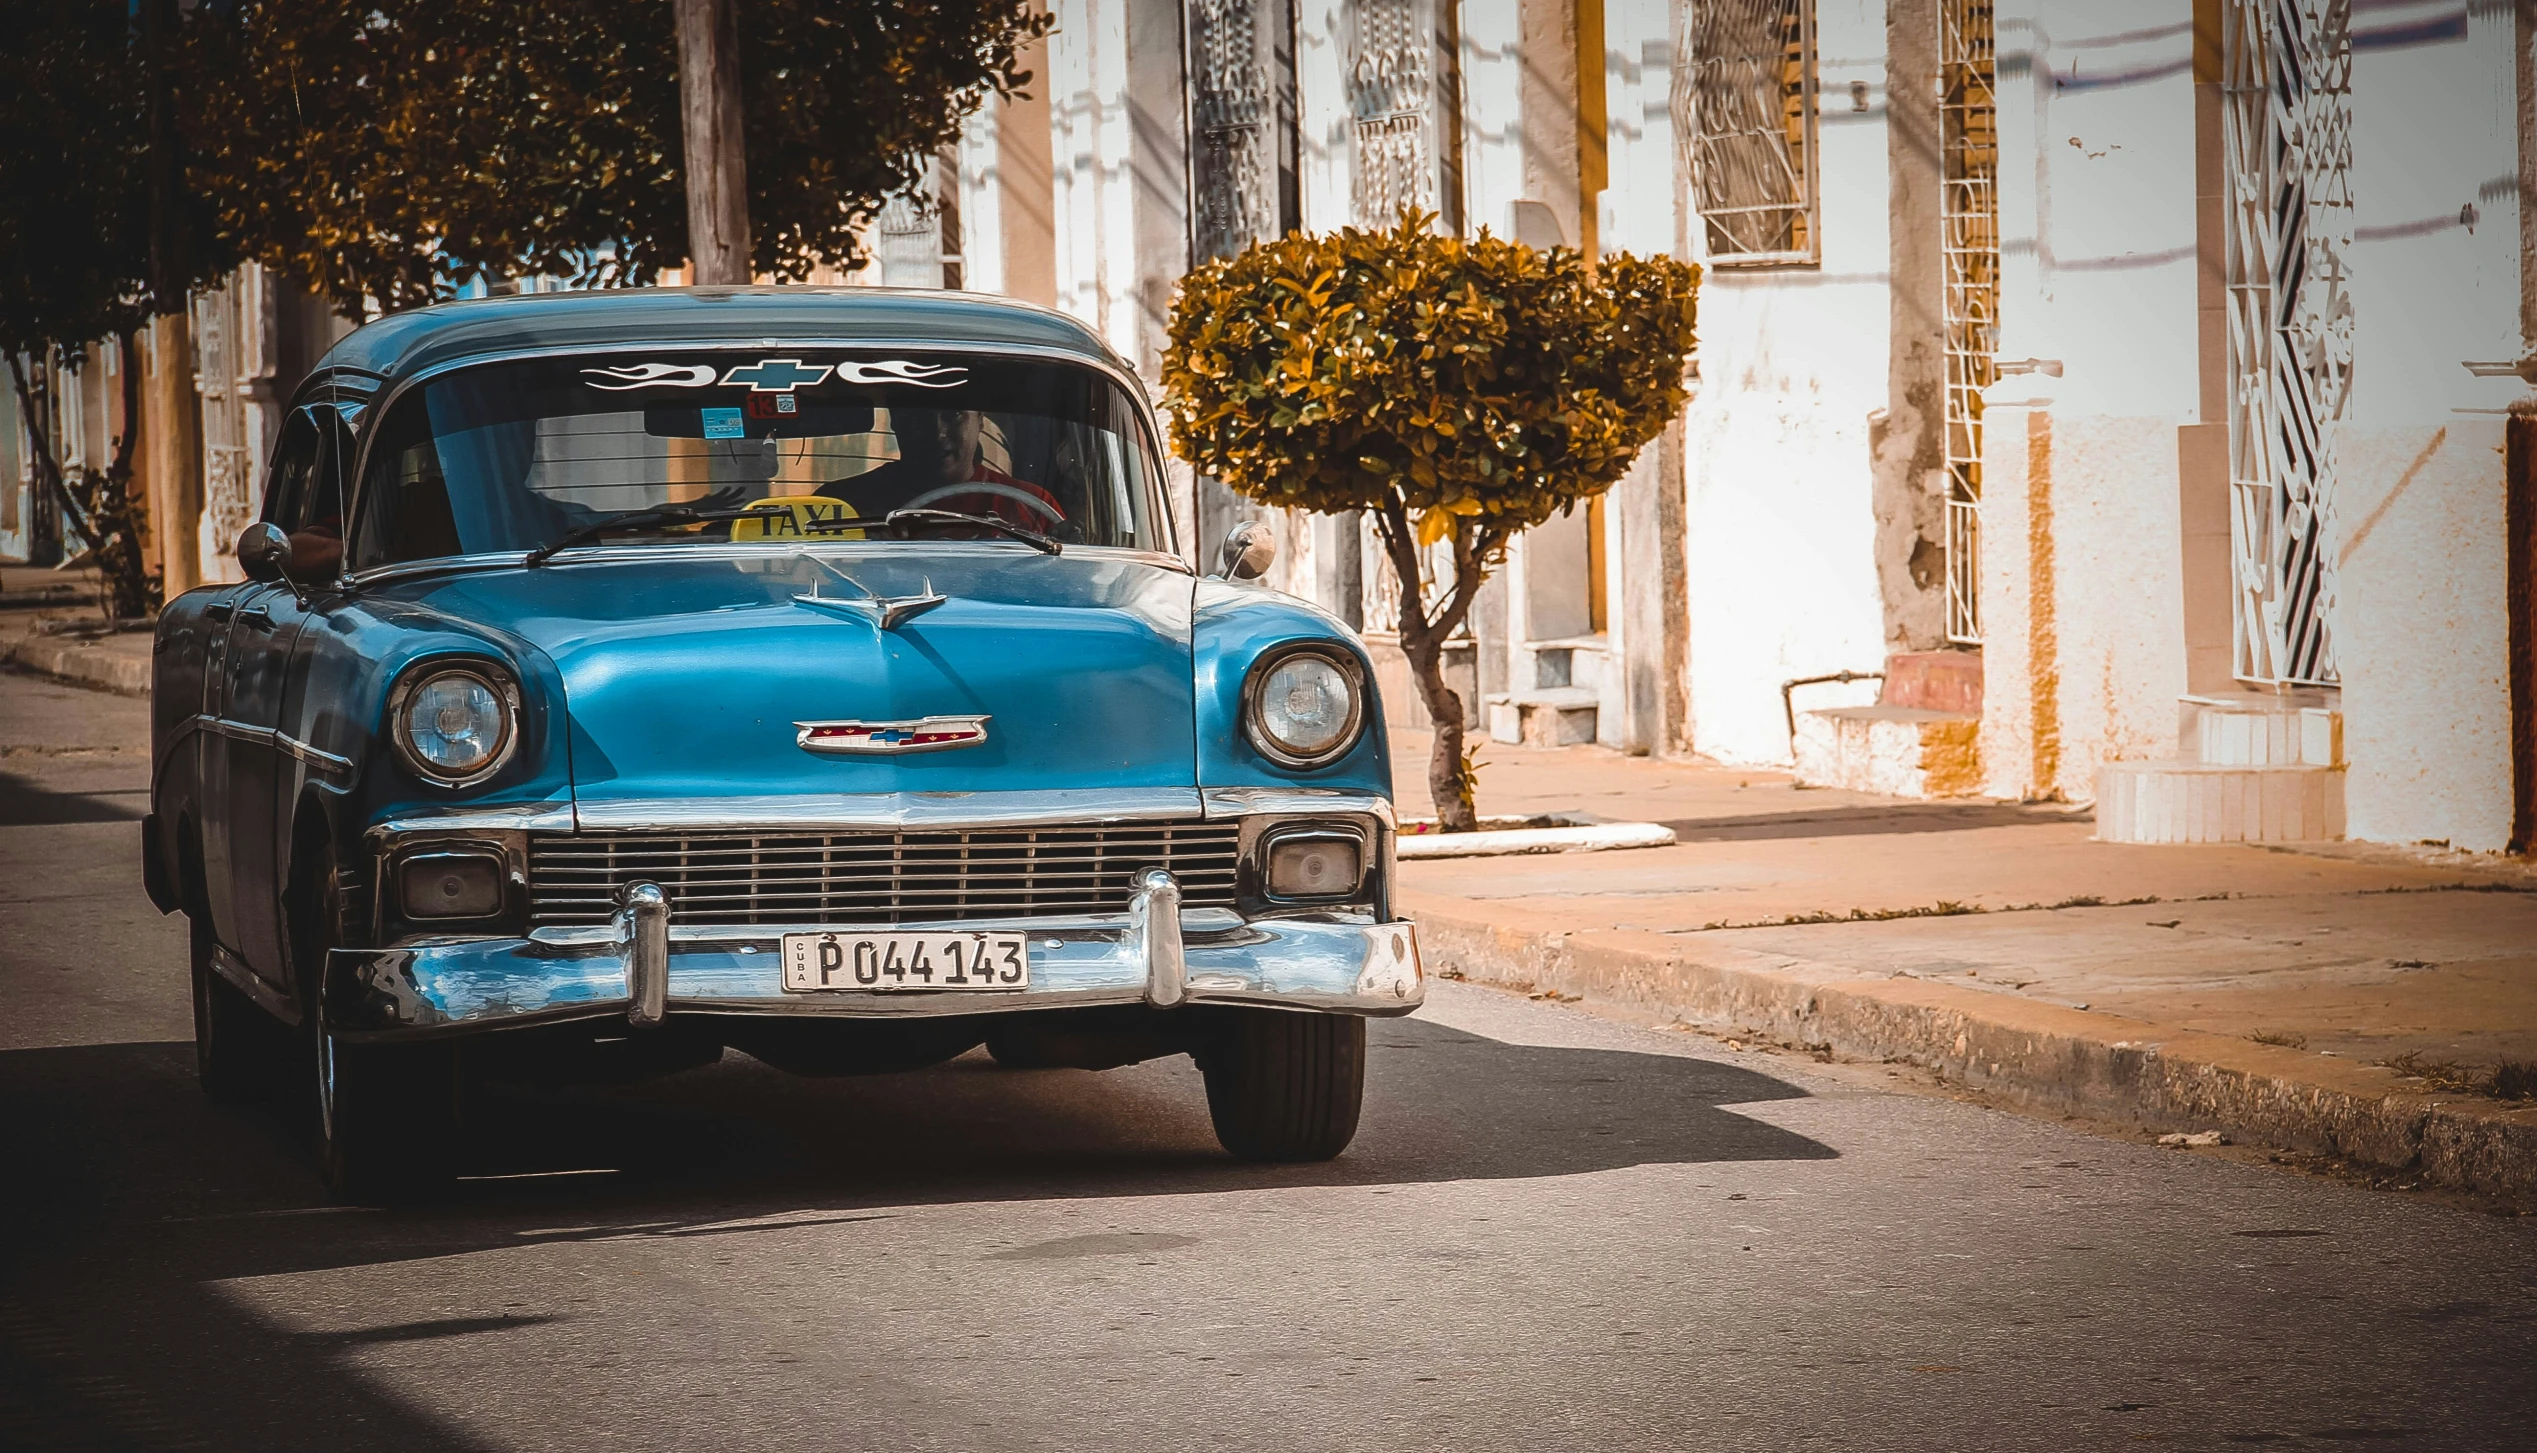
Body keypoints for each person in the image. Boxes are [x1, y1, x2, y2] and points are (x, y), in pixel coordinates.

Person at [816, 406, 1067, 535]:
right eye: (918, 418)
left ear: (979, 420)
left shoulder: (1034, 506)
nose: (938, 434)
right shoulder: (840, 504)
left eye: (954, 415)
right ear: (896, 423)